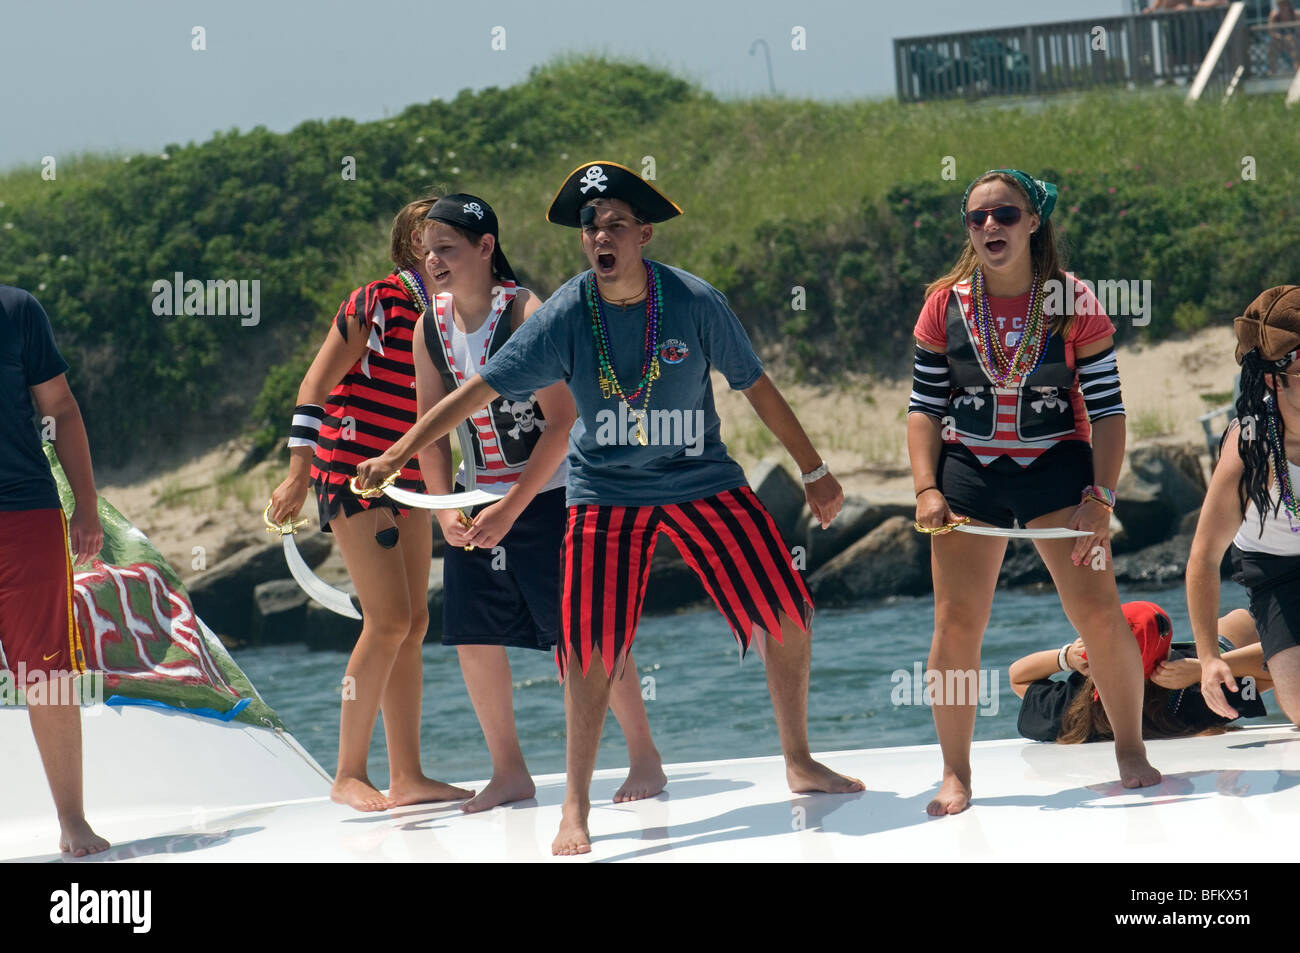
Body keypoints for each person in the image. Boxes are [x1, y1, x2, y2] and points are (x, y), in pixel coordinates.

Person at [358, 161, 863, 856]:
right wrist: (395, 455)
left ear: (643, 234)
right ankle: (574, 804)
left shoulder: (692, 300)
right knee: (587, 649)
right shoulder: (566, 310)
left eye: (615, 225)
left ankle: (799, 758)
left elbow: (757, 386)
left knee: (787, 612)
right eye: (591, 227)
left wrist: (815, 469)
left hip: (700, 477)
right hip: (606, 492)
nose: (601, 236)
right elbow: (473, 394)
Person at [907, 168, 1161, 816]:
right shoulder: (945, 304)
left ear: (1033, 222)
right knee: (956, 623)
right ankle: (955, 772)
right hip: (971, 470)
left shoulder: (1073, 301)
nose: (991, 226)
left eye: (1006, 215)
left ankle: (1130, 746)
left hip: (1059, 466)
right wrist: (926, 487)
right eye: (978, 217)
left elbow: (1107, 411)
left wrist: (1101, 499)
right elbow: (923, 408)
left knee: (1099, 614)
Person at [413, 194, 664, 812]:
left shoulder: (526, 312)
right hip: (479, 499)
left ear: (485, 247)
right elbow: (430, 429)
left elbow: (561, 420)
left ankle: (644, 757)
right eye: (426, 252)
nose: (433, 261)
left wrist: (513, 507)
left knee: (585, 636)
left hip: (553, 496)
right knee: (471, 633)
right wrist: (447, 509)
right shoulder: (430, 326)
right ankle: (510, 771)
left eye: (446, 248)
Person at [268, 197, 473, 812]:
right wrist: (297, 473)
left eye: (451, 239)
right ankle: (347, 774)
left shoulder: (445, 313)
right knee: (385, 621)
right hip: (349, 473)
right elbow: (314, 384)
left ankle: (407, 775)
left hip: (407, 477)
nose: (441, 248)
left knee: (414, 623)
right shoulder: (372, 303)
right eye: (432, 238)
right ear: (412, 244)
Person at [0, 285, 108, 856]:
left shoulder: (17, 311)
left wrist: (85, 507)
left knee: (48, 676)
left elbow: (60, 409)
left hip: (25, 515)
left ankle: (72, 821)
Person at [1186, 285, 1300, 729]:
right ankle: (1243, 638)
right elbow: (1203, 557)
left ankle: (1250, 639)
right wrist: (1207, 658)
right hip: (1275, 572)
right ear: (1275, 377)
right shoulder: (1250, 448)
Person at [1011, 602, 1270, 742]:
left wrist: (1065, 657)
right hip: (1194, 664)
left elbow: (1017, 677)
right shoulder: (1197, 696)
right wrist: (1204, 668)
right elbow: (1276, 668)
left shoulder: (1075, 710)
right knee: (1240, 619)